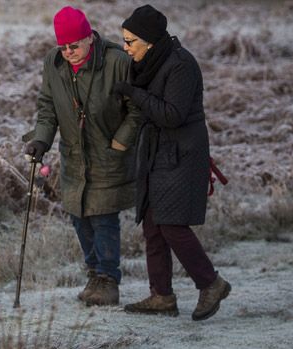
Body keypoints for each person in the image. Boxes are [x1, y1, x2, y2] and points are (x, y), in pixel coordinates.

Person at [111, 5, 231, 320]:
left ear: (149, 41)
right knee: (152, 224)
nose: (125, 47)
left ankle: (211, 283)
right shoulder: (147, 62)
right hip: (157, 154)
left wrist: (134, 94)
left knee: (171, 225)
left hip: (182, 155)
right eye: (124, 40)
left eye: (130, 41)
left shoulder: (181, 65)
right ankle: (161, 296)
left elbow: (172, 115)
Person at [23, 6, 141, 306]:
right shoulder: (54, 62)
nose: (68, 52)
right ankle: (94, 274)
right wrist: (41, 139)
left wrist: (120, 144)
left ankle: (108, 279)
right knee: (79, 217)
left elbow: (137, 110)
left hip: (108, 155)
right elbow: (48, 105)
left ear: (89, 37)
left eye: (74, 45)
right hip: (74, 156)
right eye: (63, 46)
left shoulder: (117, 61)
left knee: (103, 217)